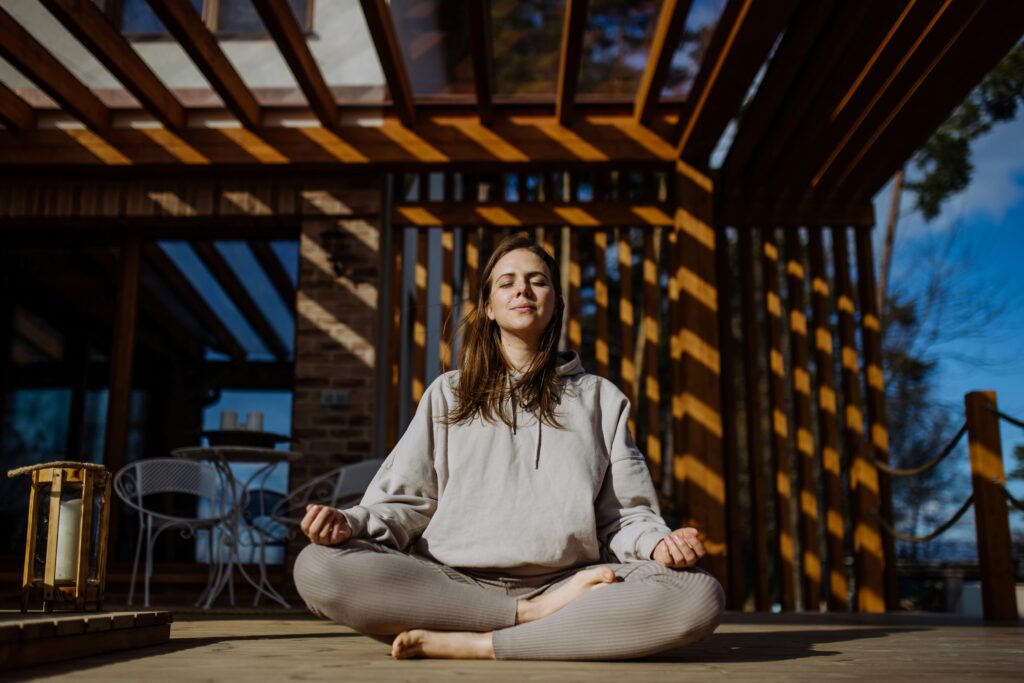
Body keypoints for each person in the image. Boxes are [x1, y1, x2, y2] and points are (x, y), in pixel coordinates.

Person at [293, 234, 724, 660]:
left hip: (570, 584)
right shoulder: (449, 393)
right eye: (507, 282)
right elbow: (406, 503)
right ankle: (527, 618)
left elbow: (625, 518)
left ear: (555, 301)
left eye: (538, 281)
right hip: (450, 583)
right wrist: (349, 524)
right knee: (317, 566)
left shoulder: (600, 399)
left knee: (697, 593)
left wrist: (658, 544)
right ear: (489, 308)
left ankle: (481, 643)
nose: (523, 289)